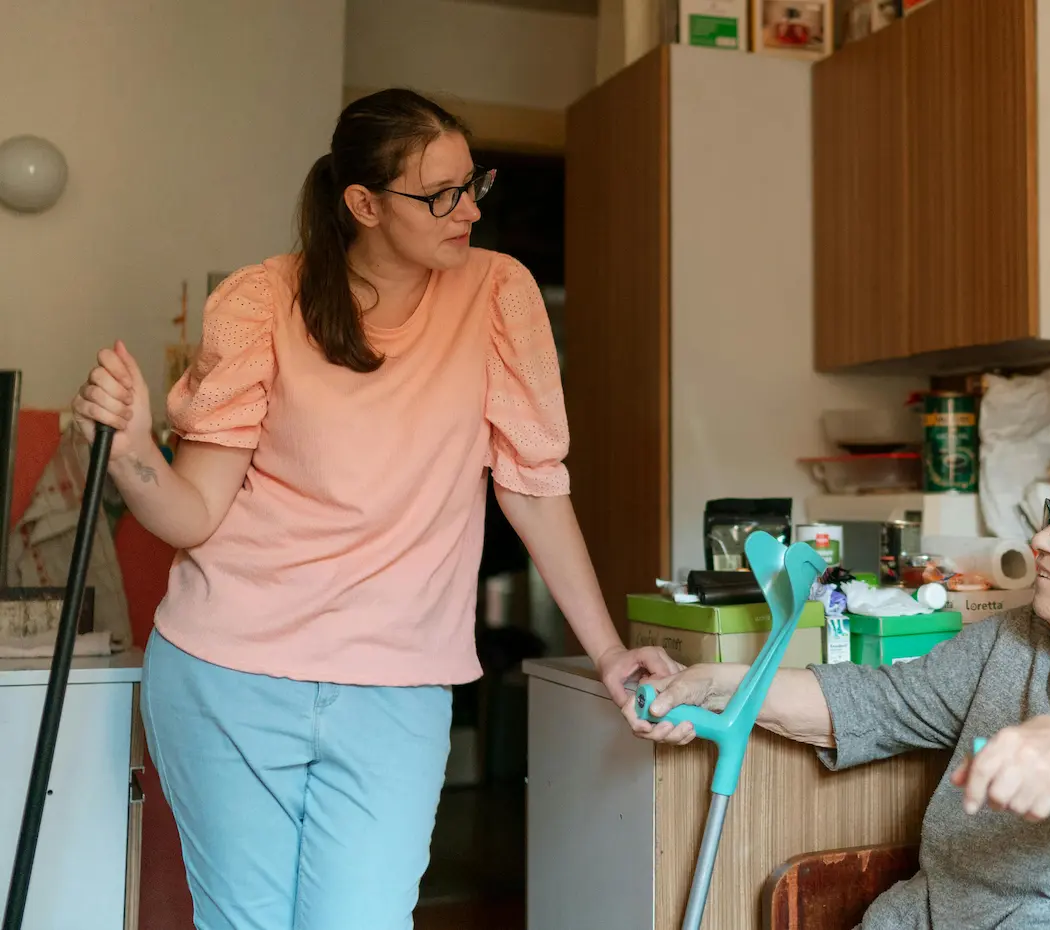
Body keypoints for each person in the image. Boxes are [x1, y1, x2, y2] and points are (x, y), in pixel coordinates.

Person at [71, 88, 678, 930]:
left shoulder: (499, 293)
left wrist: (608, 651)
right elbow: (194, 514)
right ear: (363, 204)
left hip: (398, 685)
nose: (467, 211)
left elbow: (534, 486)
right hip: (228, 671)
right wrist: (136, 450)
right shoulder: (261, 302)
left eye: (475, 185)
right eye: (439, 195)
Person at [630, 445, 1050, 930]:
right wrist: (722, 685)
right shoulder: (1014, 642)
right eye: (1047, 516)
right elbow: (870, 703)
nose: (1037, 540)